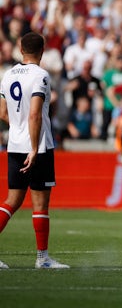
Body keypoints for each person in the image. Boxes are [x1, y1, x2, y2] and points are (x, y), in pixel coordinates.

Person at [0, 32, 69, 269]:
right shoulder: (41, 75)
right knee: (40, 204)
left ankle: (43, 259)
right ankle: (43, 259)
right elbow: (35, 114)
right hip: (37, 147)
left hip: (14, 144)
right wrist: (33, 146)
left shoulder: (7, 75)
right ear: (43, 51)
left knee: (11, 201)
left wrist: (18, 130)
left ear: (20, 49)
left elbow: (2, 112)